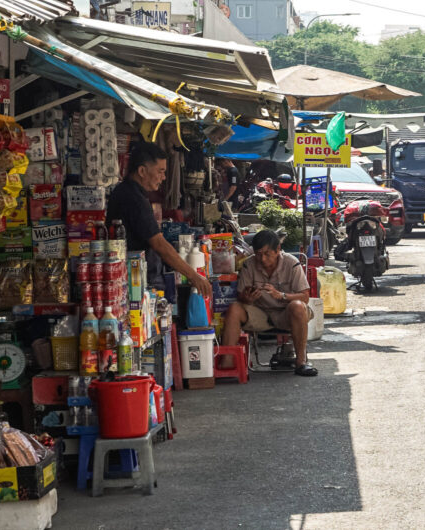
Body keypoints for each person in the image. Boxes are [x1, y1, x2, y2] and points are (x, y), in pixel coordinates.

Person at [107, 142, 211, 299]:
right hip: (132, 277)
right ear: (142, 171)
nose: (163, 178)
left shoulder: (128, 192)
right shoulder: (134, 198)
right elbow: (158, 243)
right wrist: (194, 276)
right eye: (160, 171)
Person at [221, 230, 317, 377]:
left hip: (286, 313)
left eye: (267, 254)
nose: (262, 259)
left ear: (277, 250)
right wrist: (248, 298)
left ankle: (301, 362)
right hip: (261, 313)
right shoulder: (249, 264)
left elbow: (305, 296)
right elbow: (241, 296)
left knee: (298, 306)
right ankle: (228, 362)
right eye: (259, 254)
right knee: (234, 308)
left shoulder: (291, 263)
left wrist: (282, 295)